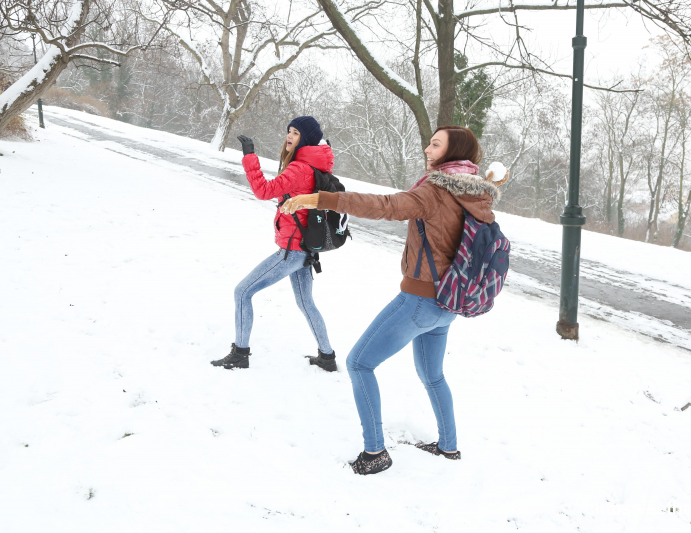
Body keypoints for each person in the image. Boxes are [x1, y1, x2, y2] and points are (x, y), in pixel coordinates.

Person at [281, 126, 502, 475]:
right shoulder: (476, 193)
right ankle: (448, 446)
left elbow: (385, 206)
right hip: (450, 304)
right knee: (433, 375)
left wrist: (320, 199)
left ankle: (375, 453)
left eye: (435, 144)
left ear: (452, 152)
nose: (428, 148)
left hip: (420, 301)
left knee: (358, 363)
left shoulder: (434, 191)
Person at [210, 116, 338, 372]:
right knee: (305, 303)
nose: (289, 136)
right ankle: (327, 357)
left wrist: (250, 158)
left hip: (291, 251)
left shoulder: (299, 168)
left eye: (295, 133)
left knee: (242, 292)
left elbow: (264, 191)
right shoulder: (316, 167)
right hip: (305, 250)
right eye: (289, 131)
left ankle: (240, 354)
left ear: (307, 139)